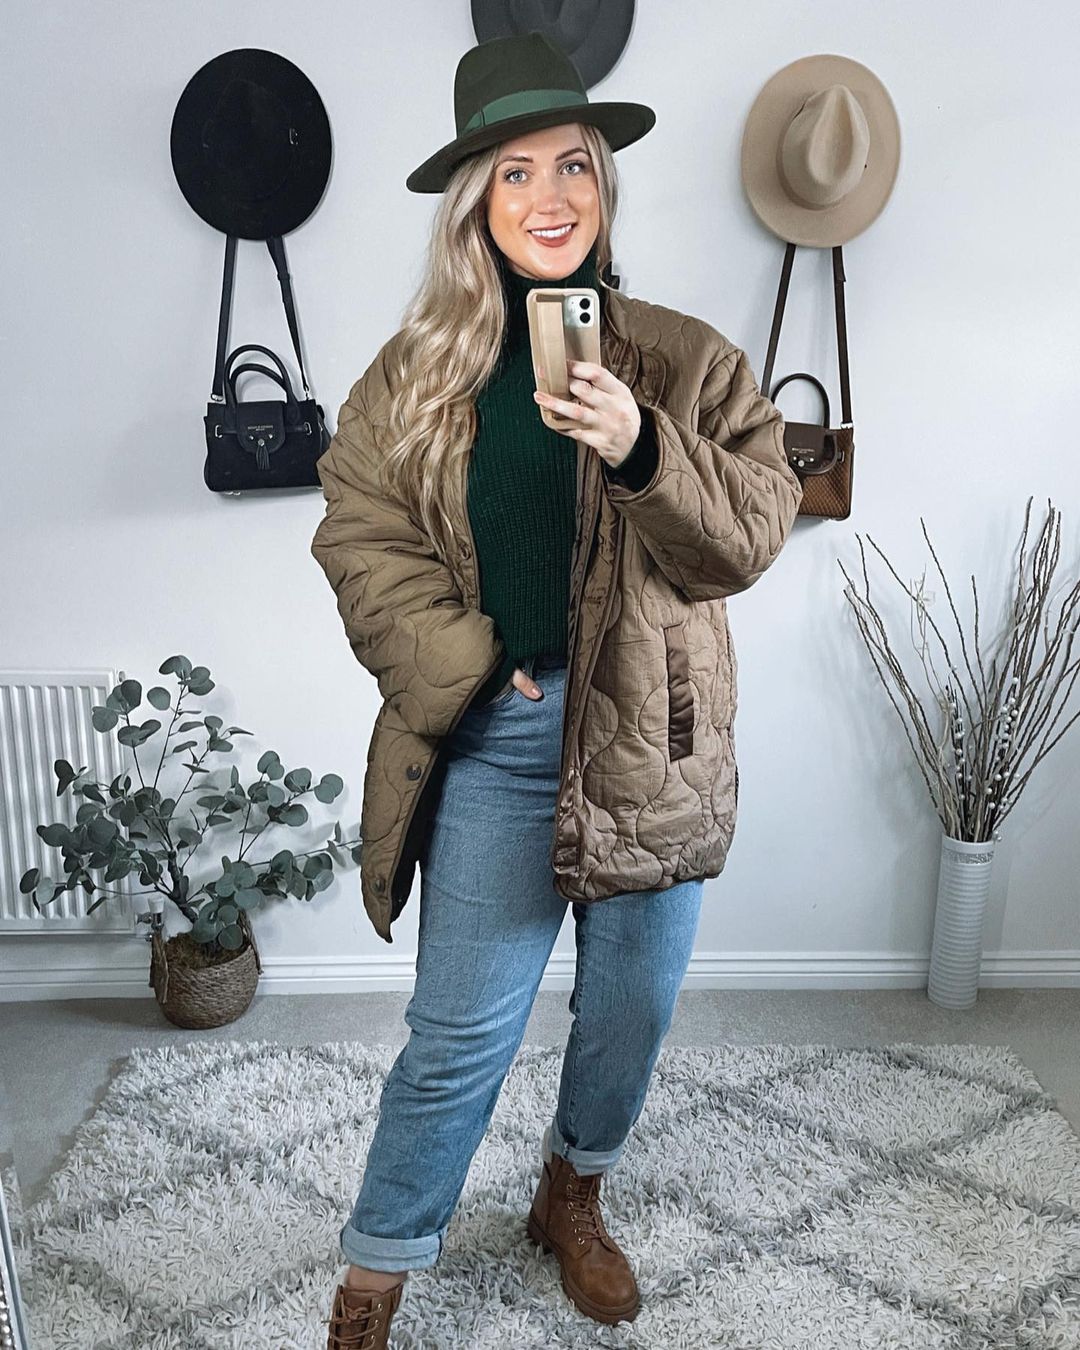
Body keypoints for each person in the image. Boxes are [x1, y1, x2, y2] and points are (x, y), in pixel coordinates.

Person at [314, 31, 802, 1350]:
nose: (549, 195)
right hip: (499, 743)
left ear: (604, 183)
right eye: (515, 170)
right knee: (457, 1036)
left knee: (629, 1015)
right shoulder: (416, 374)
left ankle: (569, 1193)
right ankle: (374, 1276)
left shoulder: (687, 364)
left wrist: (642, 449)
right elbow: (360, 538)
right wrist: (471, 666)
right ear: (475, 200)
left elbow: (752, 532)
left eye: (573, 165)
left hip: (651, 742)